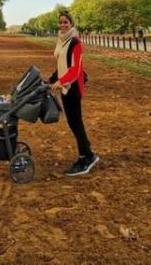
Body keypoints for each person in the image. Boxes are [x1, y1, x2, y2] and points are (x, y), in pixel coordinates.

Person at [50, 10, 99, 176]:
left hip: (73, 87)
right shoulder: (61, 40)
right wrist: (52, 79)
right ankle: (87, 153)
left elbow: (75, 69)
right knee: (73, 123)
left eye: (66, 22)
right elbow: (61, 65)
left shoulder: (75, 41)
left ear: (71, 24)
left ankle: (86, 158)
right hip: (65, 86)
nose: (63, 25)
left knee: (76, 123)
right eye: (61, 22)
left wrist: (61, 81)